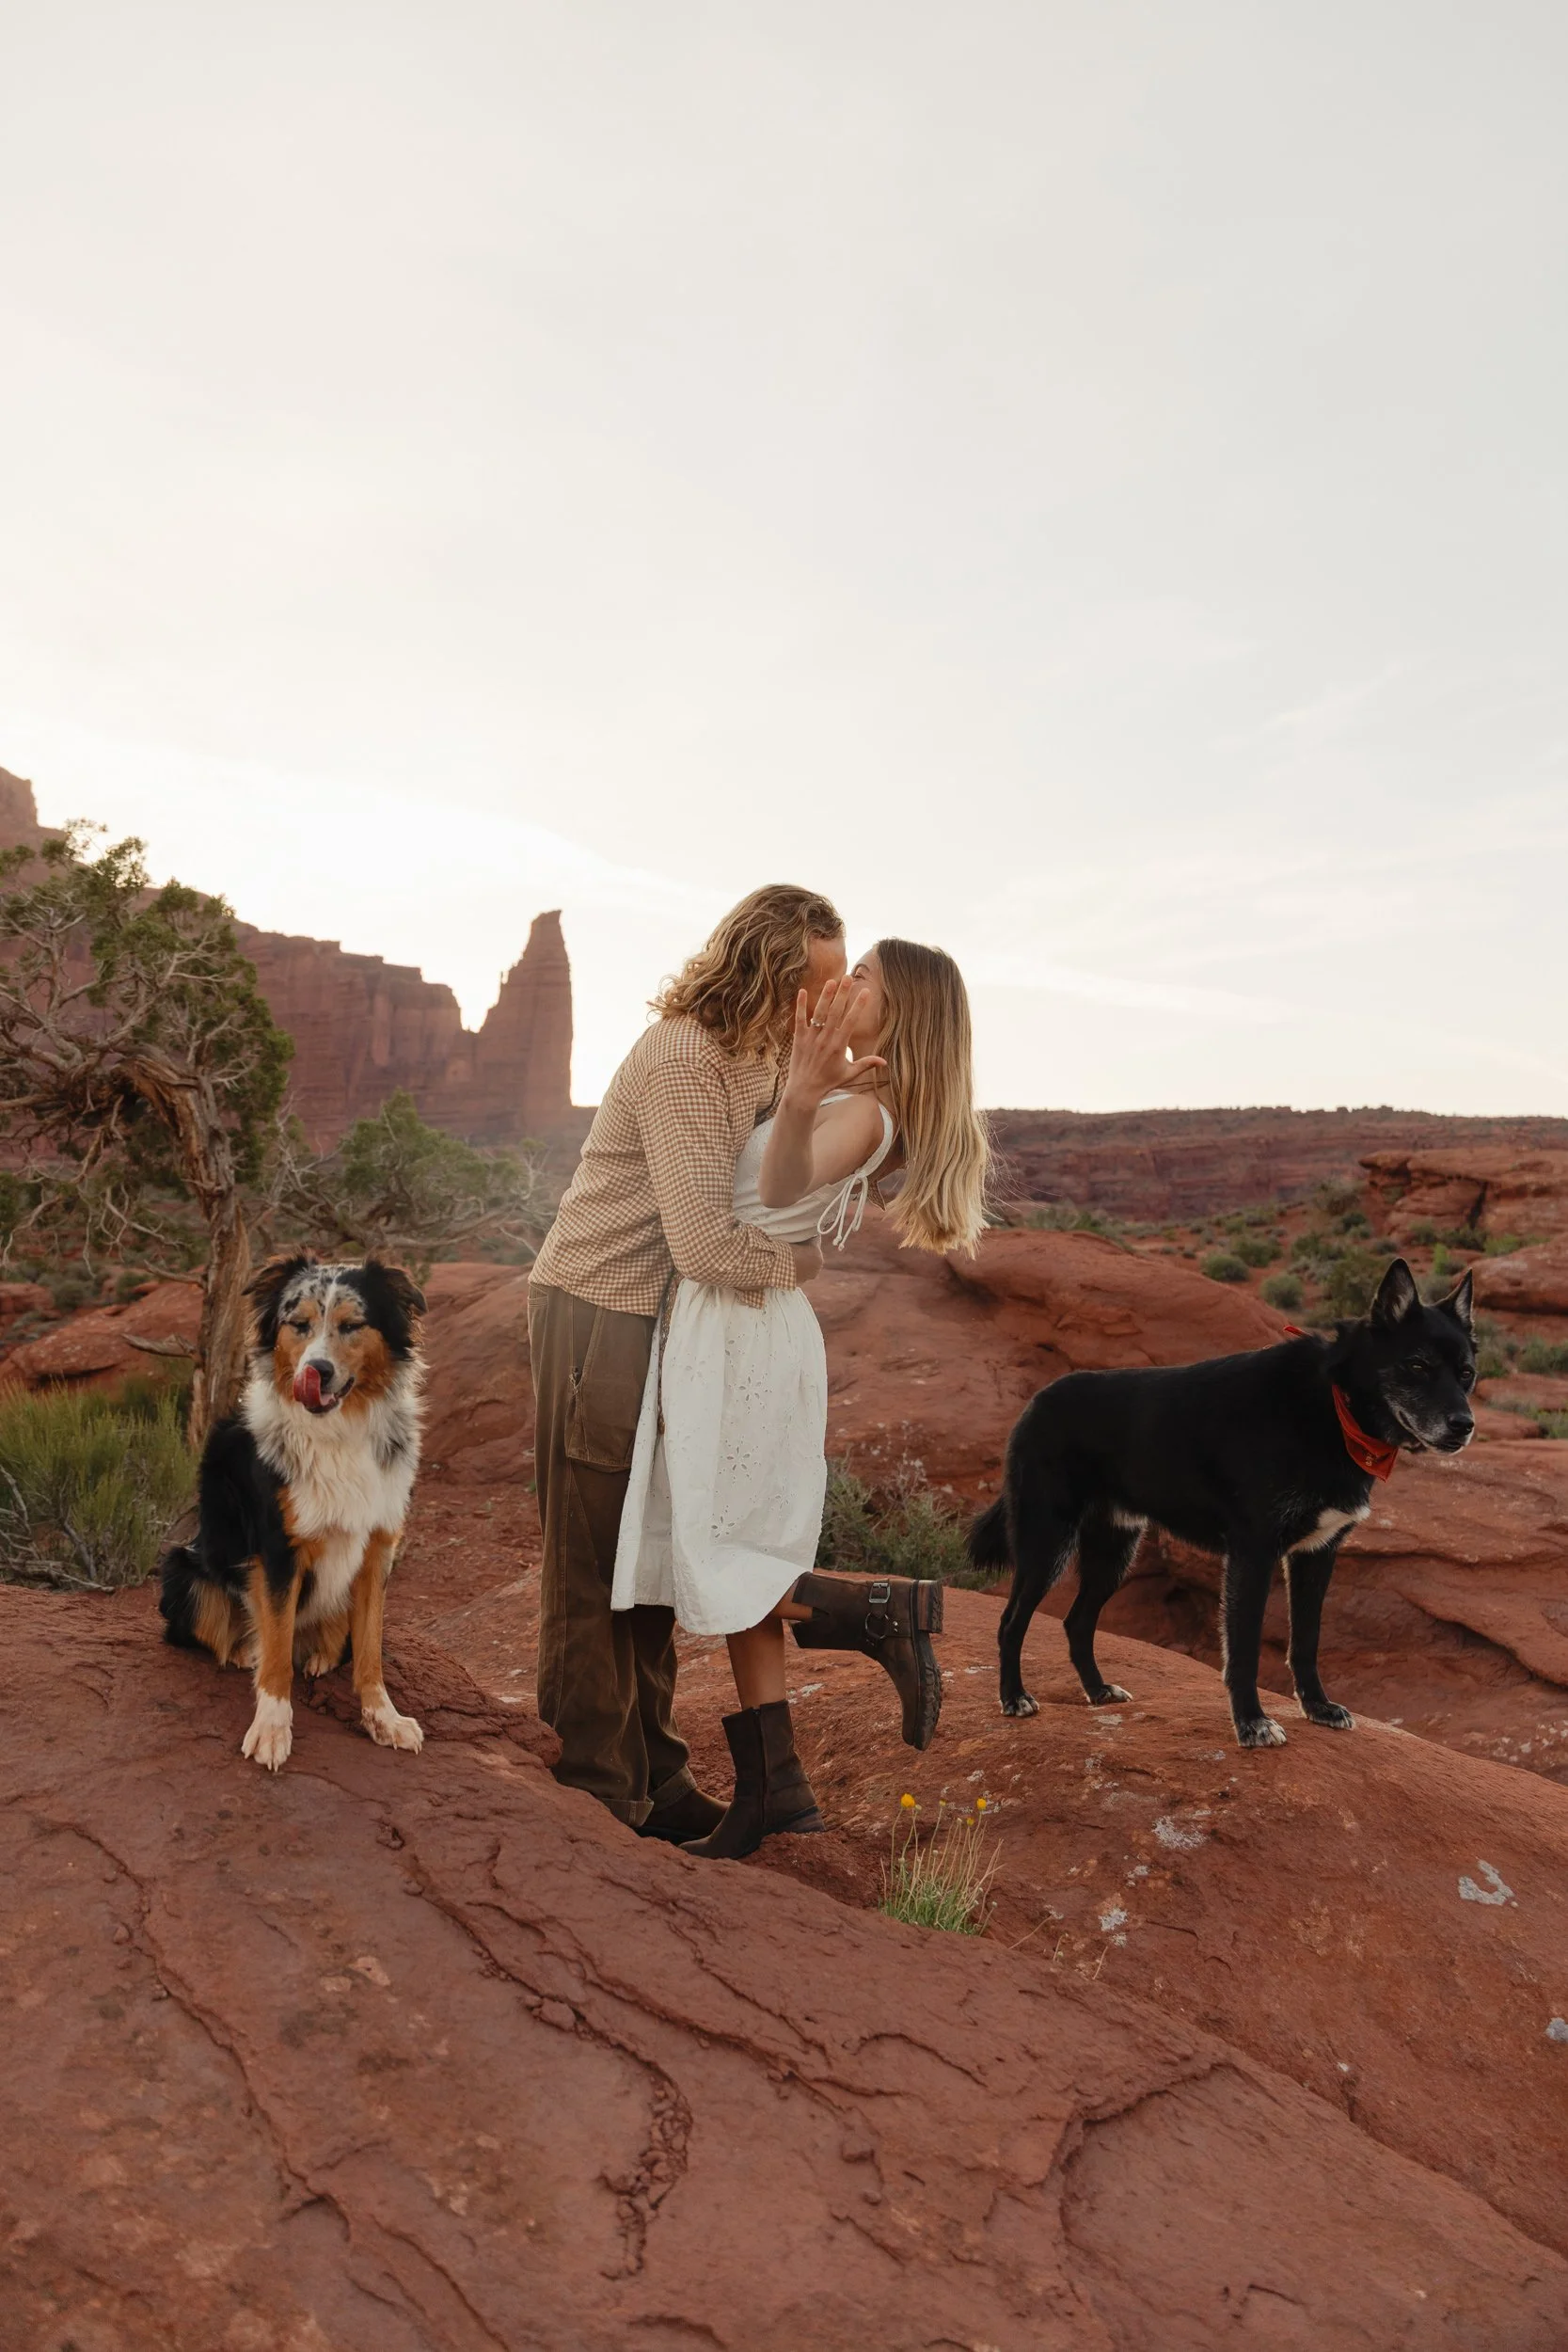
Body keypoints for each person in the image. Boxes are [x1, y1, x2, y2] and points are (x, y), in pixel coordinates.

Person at [611, 938, 991, 1859]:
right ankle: (775, 1793)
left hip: (742, 1334)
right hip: (728, 1319)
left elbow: (776, 1184)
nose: (844, 982)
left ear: (900, 1016)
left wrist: (797, 1092)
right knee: (720, 1538)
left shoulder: (868, 1111)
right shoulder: (843, 1093)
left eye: (863, 977)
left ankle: (877, 1616)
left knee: (722, 1545)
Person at [527, 884, 846, 1838]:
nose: (827, 1004)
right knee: (591, 1562)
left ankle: (656, 1781)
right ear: (773, 974)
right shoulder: (680, 1057)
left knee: (646, 1553)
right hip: (598, 1315)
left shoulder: (753, 1061)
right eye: (818, 983)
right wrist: (794, 1267)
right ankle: (595, 1791)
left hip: (668, 1334)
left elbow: (782, 1180)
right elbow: (707, 1243)